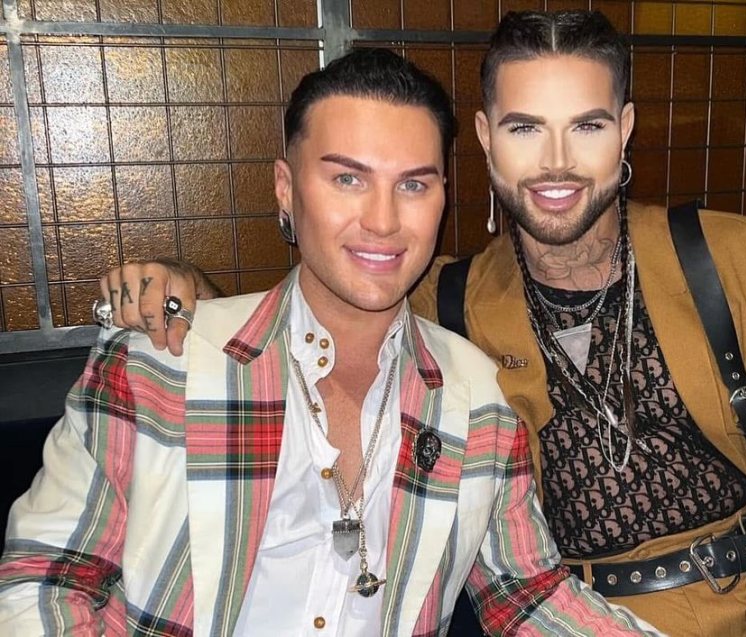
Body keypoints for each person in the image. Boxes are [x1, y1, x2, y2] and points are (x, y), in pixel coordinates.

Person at [88, 10, 746, 637]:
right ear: (484, 140)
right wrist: (193, 293)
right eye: (522, 127)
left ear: (623, 133)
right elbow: (312, 311)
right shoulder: (442, 302)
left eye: (584, 125)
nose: (554, 162)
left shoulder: (730, 255)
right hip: (600, 614)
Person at [0, 48, 665, 637]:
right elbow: (45, 580)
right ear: (287, 190)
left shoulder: (477, 402)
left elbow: (527, 595)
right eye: (347, 178)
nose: (382, 220)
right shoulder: (157, 367)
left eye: (413, 183)